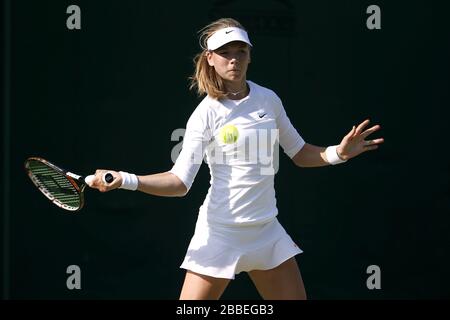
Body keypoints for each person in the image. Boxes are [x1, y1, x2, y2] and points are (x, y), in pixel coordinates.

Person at [87, 18, 384, 300]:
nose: (234, 59)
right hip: (220, 234)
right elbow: (179, 182)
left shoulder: (268, 99)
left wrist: (338, 153)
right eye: (225, 53)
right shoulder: (205, 114)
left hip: (266, 231)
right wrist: (125, 180)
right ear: (210, 59)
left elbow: (300, 152)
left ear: (250, 56)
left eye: (240, 51)